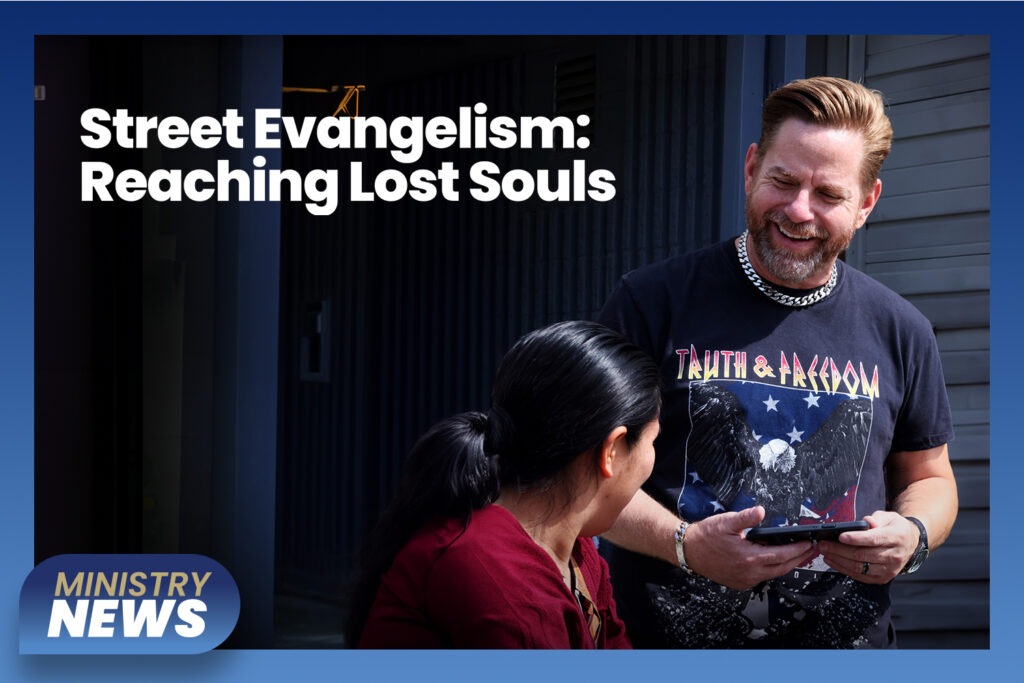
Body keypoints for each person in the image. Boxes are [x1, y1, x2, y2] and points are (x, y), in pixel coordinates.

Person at [597, 76, 958, 648]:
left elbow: (930, 477)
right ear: (750, 168)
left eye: (829, 195)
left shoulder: (901, 329)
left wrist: (913, 535)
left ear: (866, 203)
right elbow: (583, 478)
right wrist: (684, 543)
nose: (798, 211)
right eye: (782, 181)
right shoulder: (651, 302)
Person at [347, 320, 661, 648]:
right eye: (653, 441)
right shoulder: (498, 580)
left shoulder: (576, 549)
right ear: (612, 451)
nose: (652, 458)